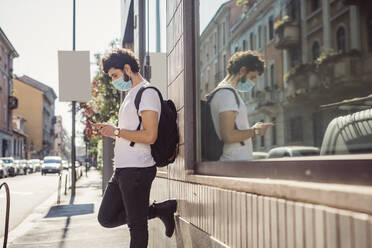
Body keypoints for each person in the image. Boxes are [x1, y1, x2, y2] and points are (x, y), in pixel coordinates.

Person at [93, 48, 177, 248]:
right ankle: (160, 210)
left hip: (138, 169)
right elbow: (127, 132)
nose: (114, 80)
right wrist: (111, 130)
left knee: (137, 228)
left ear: (127, 68)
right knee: (106, 217)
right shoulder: (130, 95)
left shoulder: (147, 93)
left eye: (115, 75)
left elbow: (150, 135)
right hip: (123, 169)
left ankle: (161, 210)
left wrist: (115, 132)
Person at [208, 50, 274, 161]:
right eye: (252, 77)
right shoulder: (226, 94)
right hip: (231, 164)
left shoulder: (226, 93)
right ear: (242, 71)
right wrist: (255, 131)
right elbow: (228, 135)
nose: (253, 82)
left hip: (234, 164)